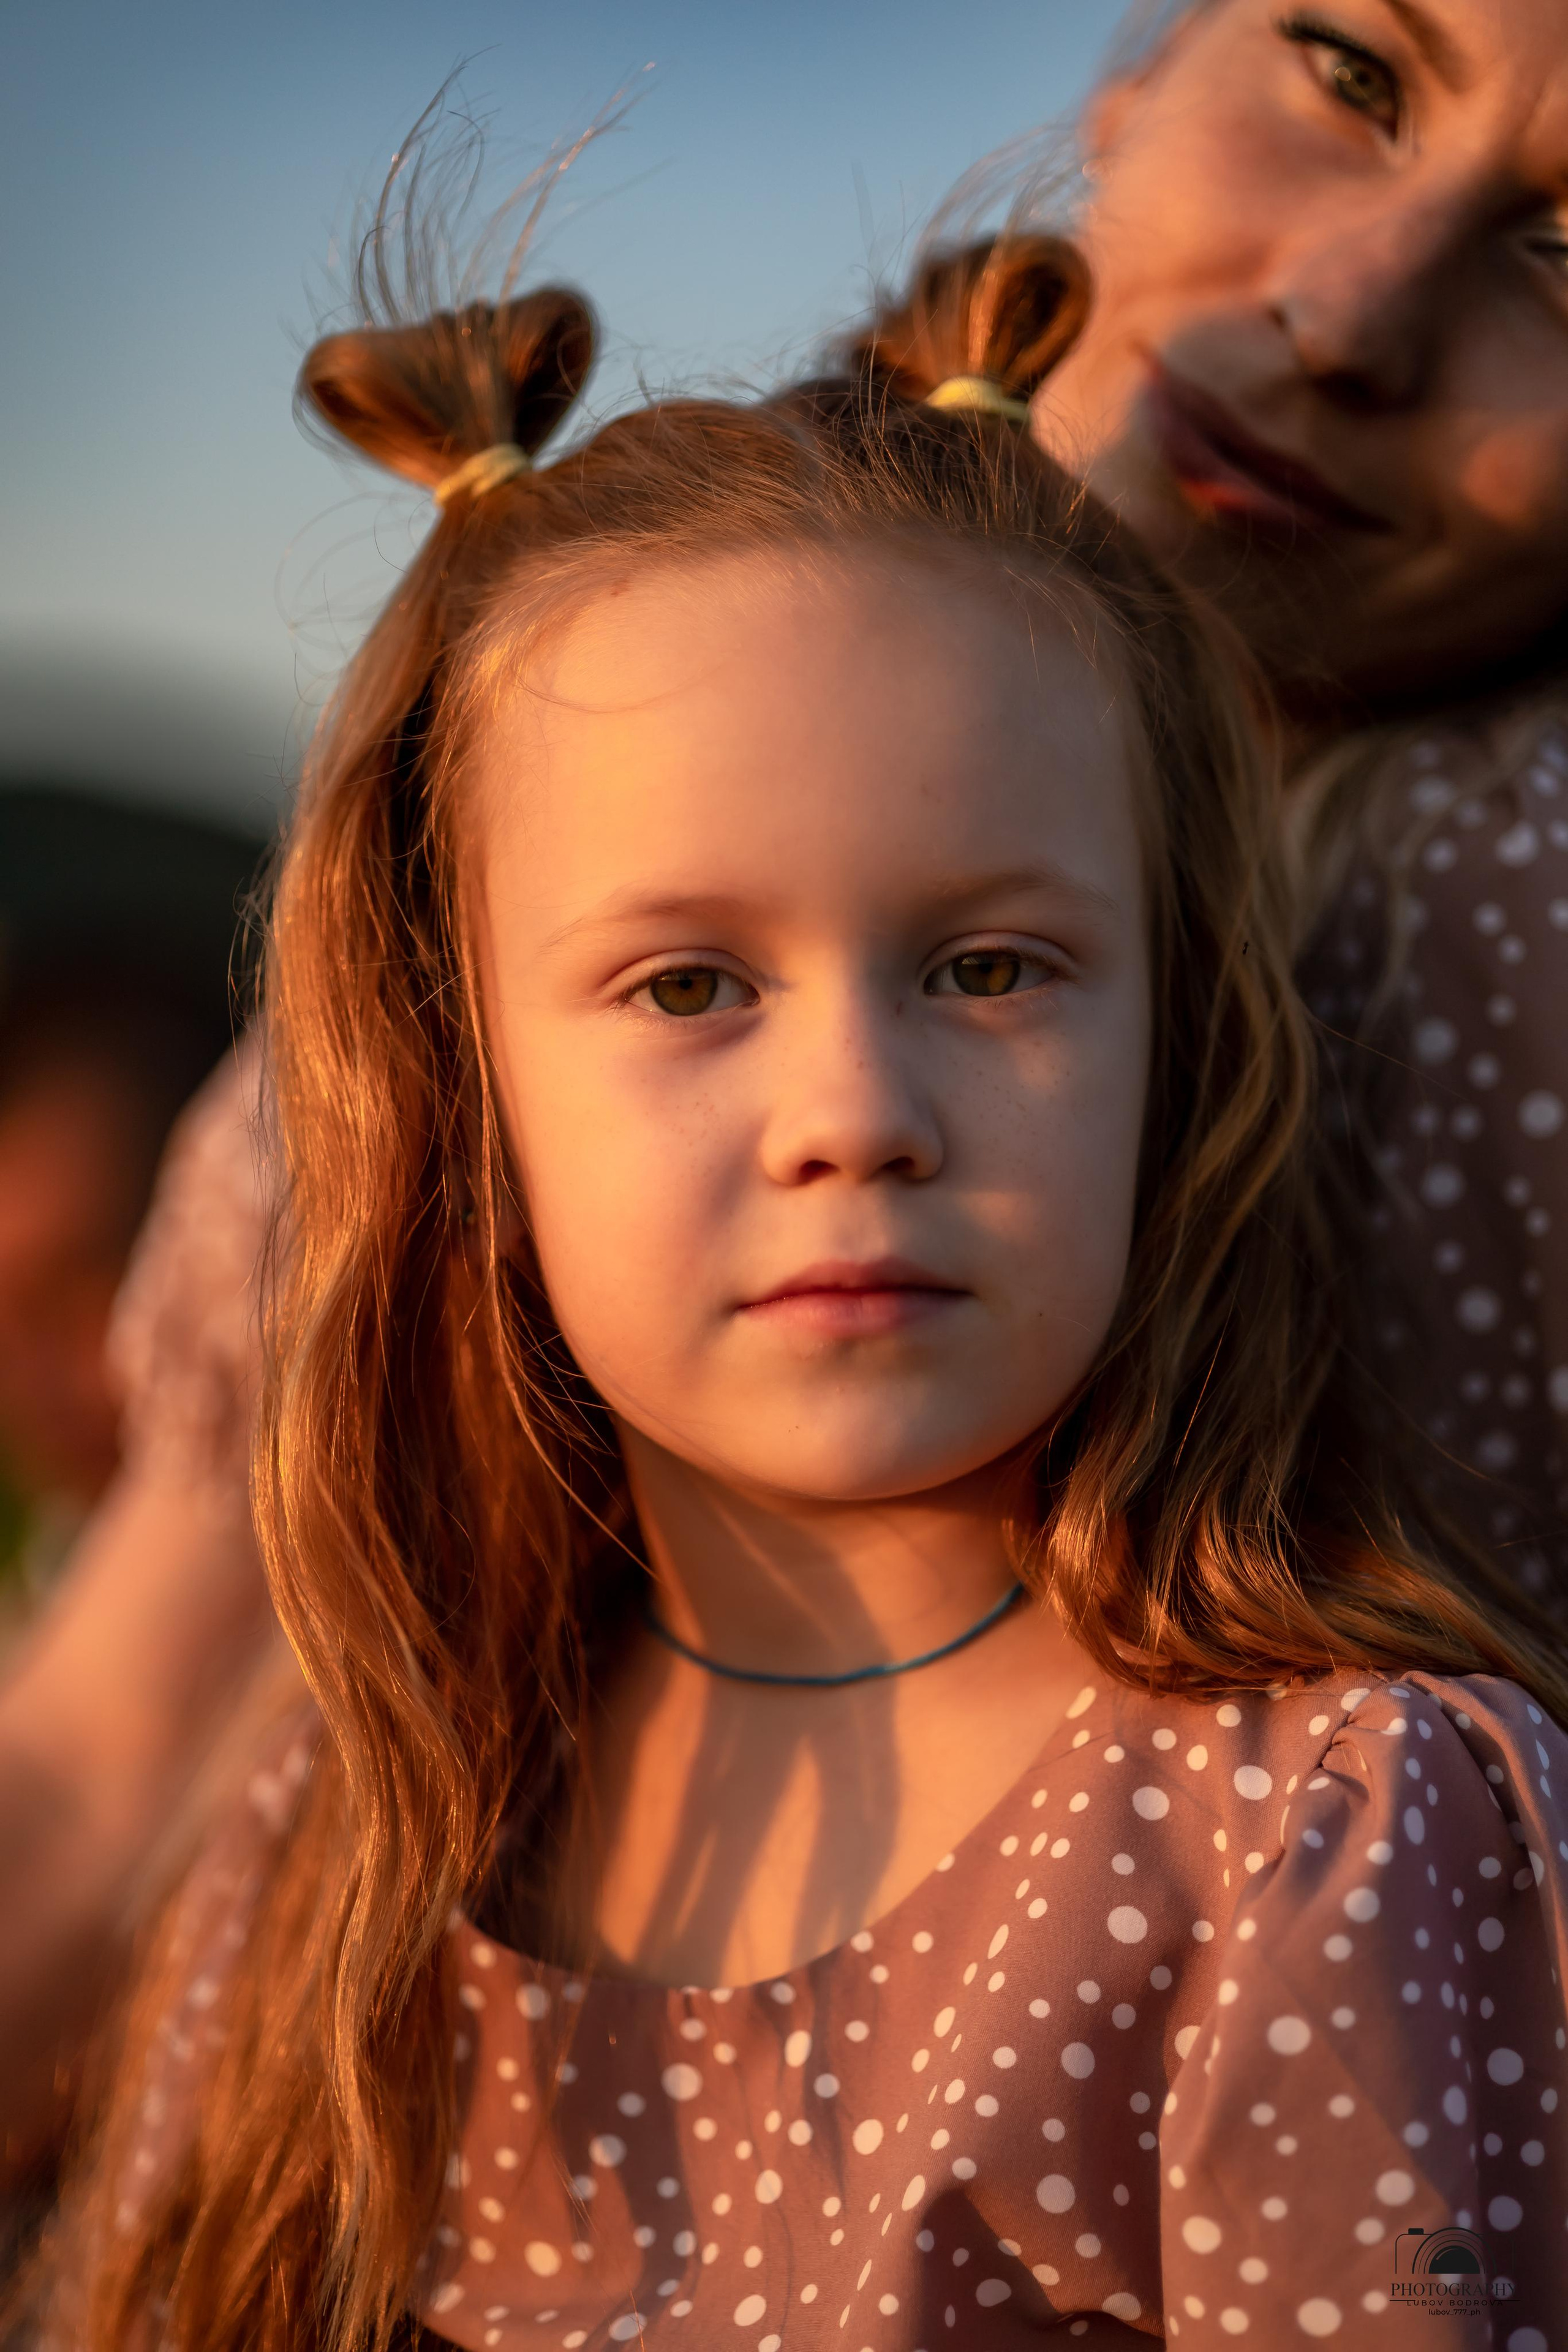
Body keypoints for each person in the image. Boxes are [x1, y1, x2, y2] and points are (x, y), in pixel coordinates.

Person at [10, 0, 1568, 2228]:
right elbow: (106, 1763)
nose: (1348, 310)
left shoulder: (1508, 913)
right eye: (1347, 68)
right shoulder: (571, 667)